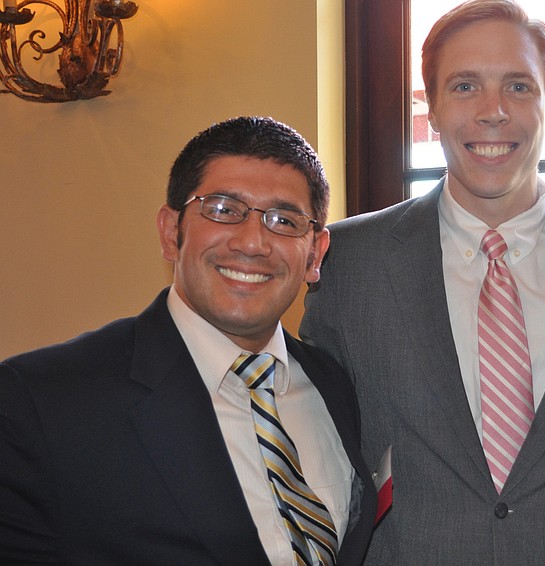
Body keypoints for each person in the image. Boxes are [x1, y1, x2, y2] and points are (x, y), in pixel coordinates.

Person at [299, 1, 545, 563]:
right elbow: (314, 445)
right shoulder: (347, 262)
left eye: (519, 87)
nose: (493, 111)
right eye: (466, 86)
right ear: (433, 108)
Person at [0, 116, 377, 566]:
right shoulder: (39, 401)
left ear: (314, 254)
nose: (253, 242)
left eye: (284, 220)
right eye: (223, 209)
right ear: (170, 232)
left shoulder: (334, 383)